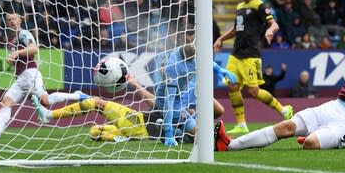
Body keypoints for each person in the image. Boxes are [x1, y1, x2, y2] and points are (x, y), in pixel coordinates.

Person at [215, 14, 345, 151]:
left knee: (311, 144)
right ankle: (228, 145)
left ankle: (315, 136)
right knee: (286, 127)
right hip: (335, 106)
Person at [32, 45, 237, 145]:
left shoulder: (183, 119)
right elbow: (216, 111)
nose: (165, 67)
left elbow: (216, 113)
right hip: (139, 122)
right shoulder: (179, 109)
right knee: (95, 129)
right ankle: (118, 134)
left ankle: (50, 115)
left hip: (139, 125)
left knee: (97, 106)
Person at [0, 13, 88, 139]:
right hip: (21, 78)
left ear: (20, 20)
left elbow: (34, 49)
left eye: (14, 18)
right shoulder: (11, 40)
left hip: (30, 74)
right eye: (9, 19)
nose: (11, 21)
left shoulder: (23, 33)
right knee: (6, 102)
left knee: (45, 101)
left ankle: (78, 95)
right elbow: (20, 55)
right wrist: (13, 59)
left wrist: (16, 53)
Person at [214, 0, 293, 135]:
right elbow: (236, 29)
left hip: (251, 55)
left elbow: (274, 24)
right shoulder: (240, 6)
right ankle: (241, 124)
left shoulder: (260, 5)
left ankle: (283, 109)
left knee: (253, 91)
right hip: (236, 54)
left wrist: (270, 31)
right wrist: (221, 38)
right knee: (233, 86)